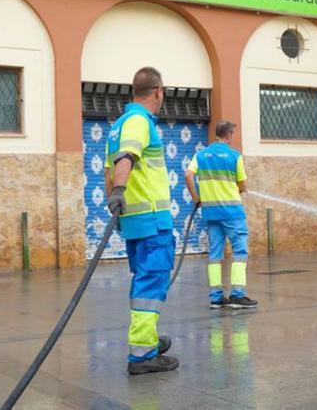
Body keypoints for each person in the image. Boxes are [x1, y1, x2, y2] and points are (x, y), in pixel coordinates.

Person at [105, 67, 178, 375]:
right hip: (151, 222)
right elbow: (126, 158)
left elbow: (108, 170)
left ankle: (146, 338)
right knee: (152, 282)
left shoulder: (119, 124)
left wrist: (115, 198)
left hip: (135, 222)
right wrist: (119, 190)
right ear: (158, 91)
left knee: (144, 282)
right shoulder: (138, 122)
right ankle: (143, 353)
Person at [185, 121, 258, 309]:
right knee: (239, 251)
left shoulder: (201, 155)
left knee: (215, 253)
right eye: (233, 133)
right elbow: (243, 185)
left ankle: (216, 297)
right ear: (229, 135)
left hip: (210, 212)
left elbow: (188, 175)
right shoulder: (235, 156)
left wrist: (196, 198)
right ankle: (237, 295)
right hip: (232, 212)